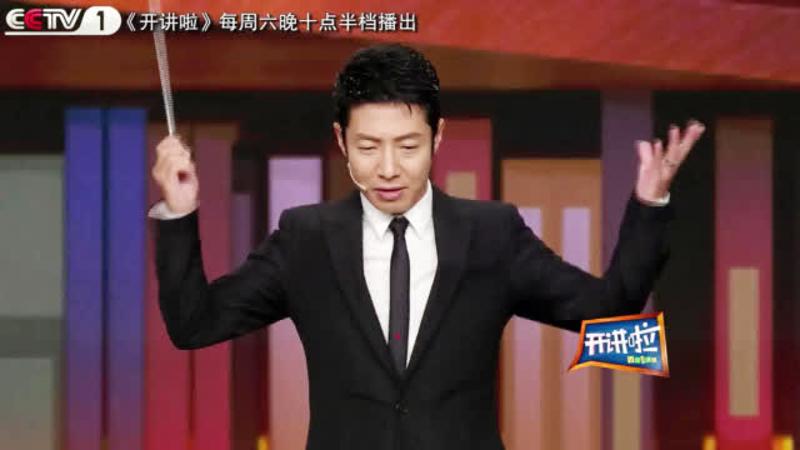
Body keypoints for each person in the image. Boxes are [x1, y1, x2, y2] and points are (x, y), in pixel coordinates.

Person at [148, 43, 705, 450]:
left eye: (408, 146)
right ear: (341, 140)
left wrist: (649, 203)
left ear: (438, 137)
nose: (389, 168)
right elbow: (195, 324)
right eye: (369, 146)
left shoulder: (492, 235)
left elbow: (606, 310)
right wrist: (180, 213)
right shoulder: (306, 239)